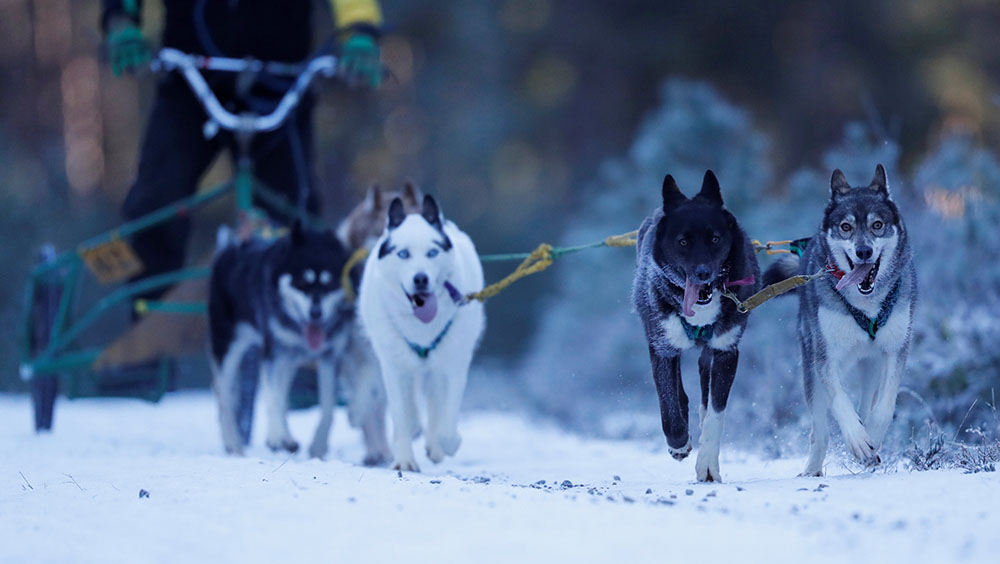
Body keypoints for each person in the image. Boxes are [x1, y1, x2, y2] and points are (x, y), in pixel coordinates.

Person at [101, 0, 384, 301]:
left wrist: (359, 33)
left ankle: (294, 329)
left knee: (294, 219)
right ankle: (147, 324)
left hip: (280, 87)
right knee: (153, 204)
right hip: (188, 82)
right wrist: (122, 21)